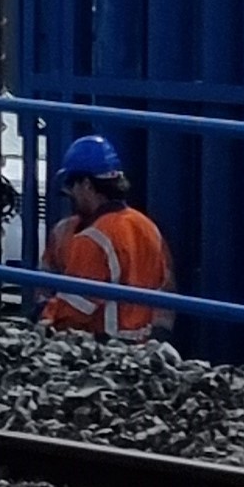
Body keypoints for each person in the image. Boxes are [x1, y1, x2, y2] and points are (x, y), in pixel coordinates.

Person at [40, 135, 172, 339]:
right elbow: (167, 285)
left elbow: (74, 310)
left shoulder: (93, 238)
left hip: (106, 348)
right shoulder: (147, 226)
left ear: (86, 184)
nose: (70, 195)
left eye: (72, 186)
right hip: (146, 348)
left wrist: (43, 316)